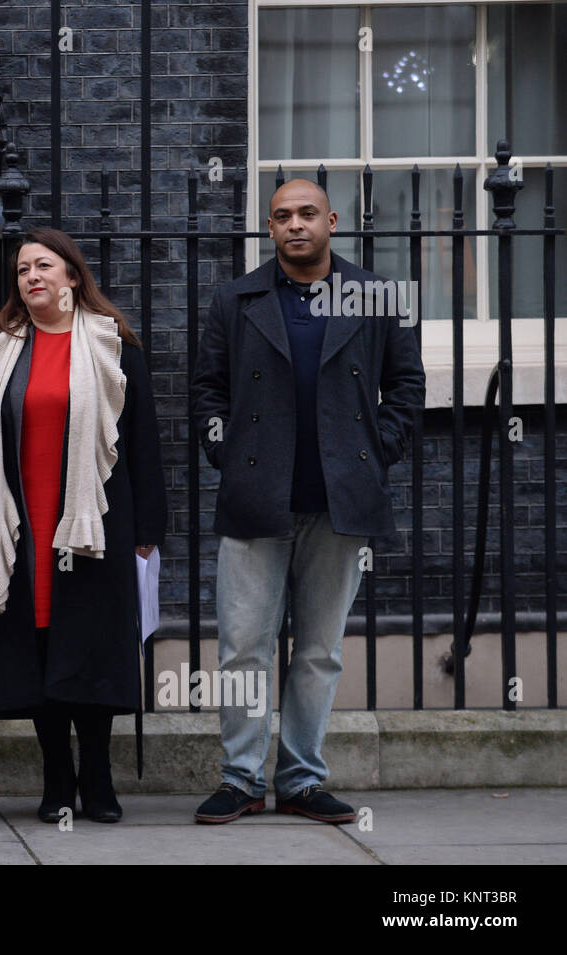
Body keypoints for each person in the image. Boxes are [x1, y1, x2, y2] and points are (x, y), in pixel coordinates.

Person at [190, 179, 425, 824]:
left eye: (307, 214)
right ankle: (240, 778)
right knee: (243, 647)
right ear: (269, 228)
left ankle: (300, 779)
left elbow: (407, 385)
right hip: (256, 499)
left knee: (319, 649)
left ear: (332, 221)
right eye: (283, 216)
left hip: (339, 500)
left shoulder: (376, 297)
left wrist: (378, 450)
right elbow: (207, 391)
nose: (296, 225)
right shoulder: (236, 300)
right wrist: (228, 456)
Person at [0, 227, 167, 823]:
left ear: (73, 275)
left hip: (94, 523)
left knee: (90, 647)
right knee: (40, 643)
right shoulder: (0, 349)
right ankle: (57, 776)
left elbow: (144, 441)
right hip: (20, 521)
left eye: (44, 266)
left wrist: (149, 529)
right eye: (23, 270)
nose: (31, 278)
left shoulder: (112, 346)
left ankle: (98, 777)